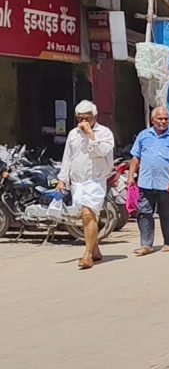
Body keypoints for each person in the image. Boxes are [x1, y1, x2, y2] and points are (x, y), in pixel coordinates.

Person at [57, 100, 115, 270]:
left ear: (94, 117)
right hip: (78, 182)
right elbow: (67, 157)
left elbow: (102, 152)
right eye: (80, 118)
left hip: (95, 180)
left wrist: (91, 135)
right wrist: (62, 179)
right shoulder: (73, 134)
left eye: (86, 118)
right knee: (86, 217)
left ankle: (87, 255)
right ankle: (95, 249)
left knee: (88, 213)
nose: (83, 122)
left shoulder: (104, 133)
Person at [128, 107, 169, 256]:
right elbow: (136, 157)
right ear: (153, 120)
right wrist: (130, 177)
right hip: (146, 182)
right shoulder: (143, 136)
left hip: (167, 184)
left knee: (167, 213)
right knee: (144, 213)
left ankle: (168, 242)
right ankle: (146, 244)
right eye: (160, 119)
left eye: (166, 119)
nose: (163, 121)